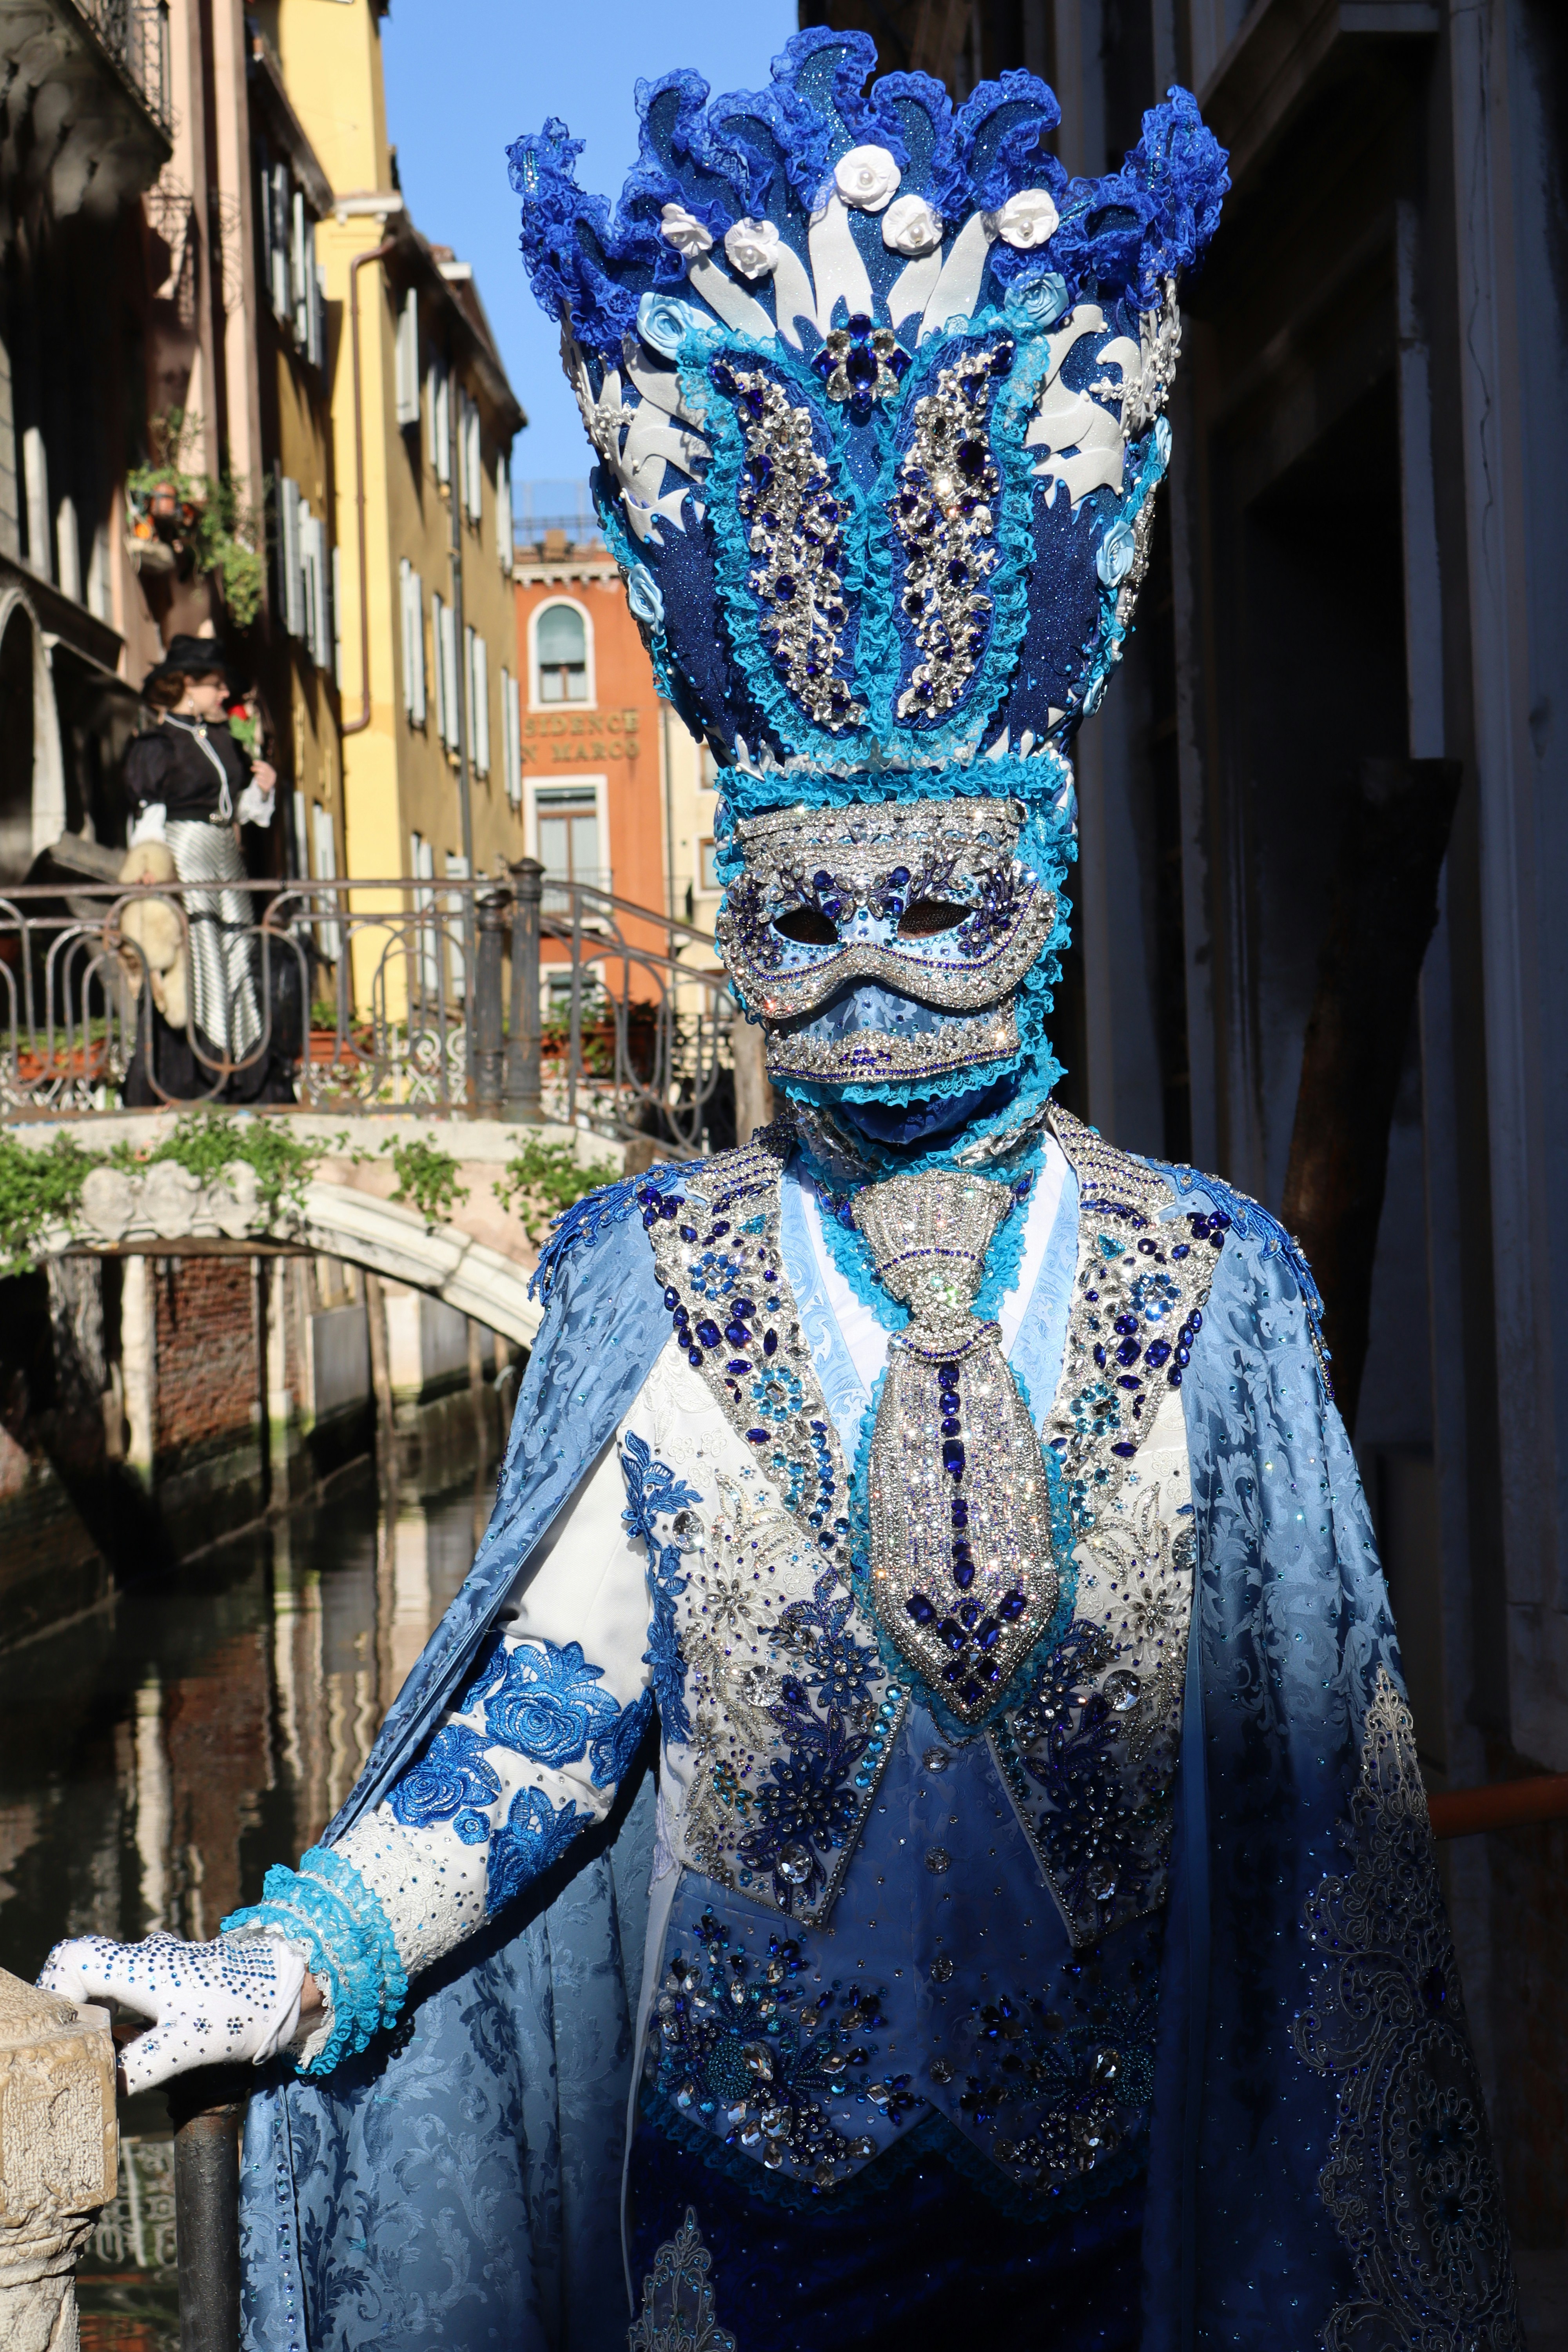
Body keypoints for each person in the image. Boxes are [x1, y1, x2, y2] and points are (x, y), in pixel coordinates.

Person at [43, 32, 1522, 2352]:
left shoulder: (1206, 1289)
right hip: (730, 2260)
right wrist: (292, 1953)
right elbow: (547, 1723)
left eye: (931, 903)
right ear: (738, 898)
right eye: (802, 912)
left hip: (1109, 2258)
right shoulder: (664, 1271)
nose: (862, 977)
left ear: (1025, 881)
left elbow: (1328, 1851)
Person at [119, 633, 292, 1103]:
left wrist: (262, 788)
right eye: (216, 686)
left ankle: (243, 1076)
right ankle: (196, 1079)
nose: (224, 696)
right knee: (198, 963)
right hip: (186, 855)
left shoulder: (220, 739)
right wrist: (149, 869)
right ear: (187, 686)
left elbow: (237, 810)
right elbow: (150, 815)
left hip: (224, 859)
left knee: (237, 955)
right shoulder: (157, 745)